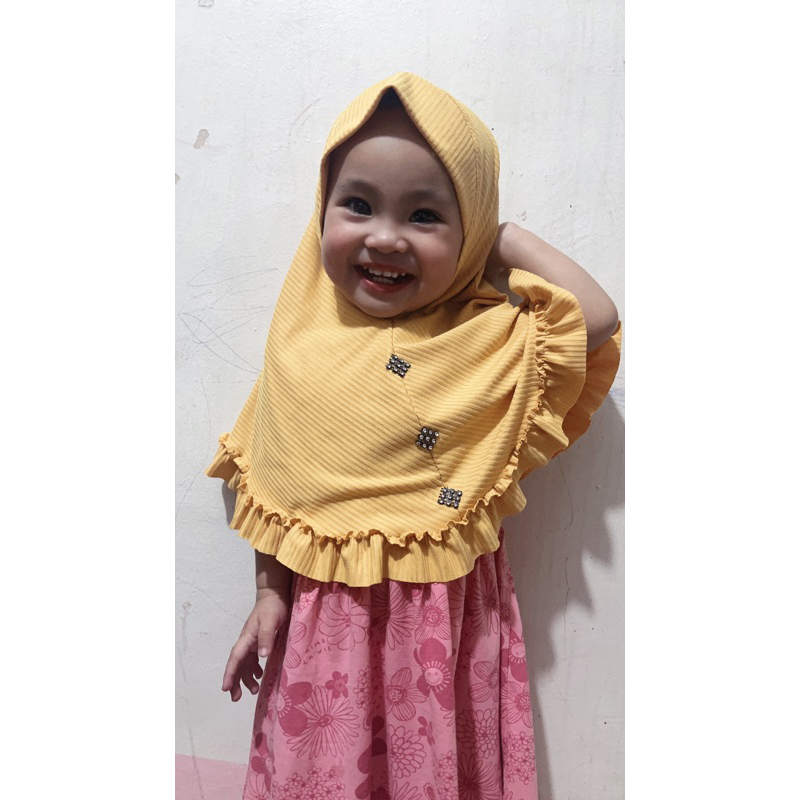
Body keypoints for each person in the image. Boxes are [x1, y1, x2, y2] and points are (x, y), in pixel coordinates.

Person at [206, 72, 621, 800]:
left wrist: (502, 238)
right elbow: (276, 485)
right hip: (325, 629)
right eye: (357, 205)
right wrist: (269, 591)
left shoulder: (483, 346)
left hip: (440, 630)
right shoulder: (302, 350)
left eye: (426, 215)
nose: (385, 237)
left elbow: (594, 318)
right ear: (322, 210)